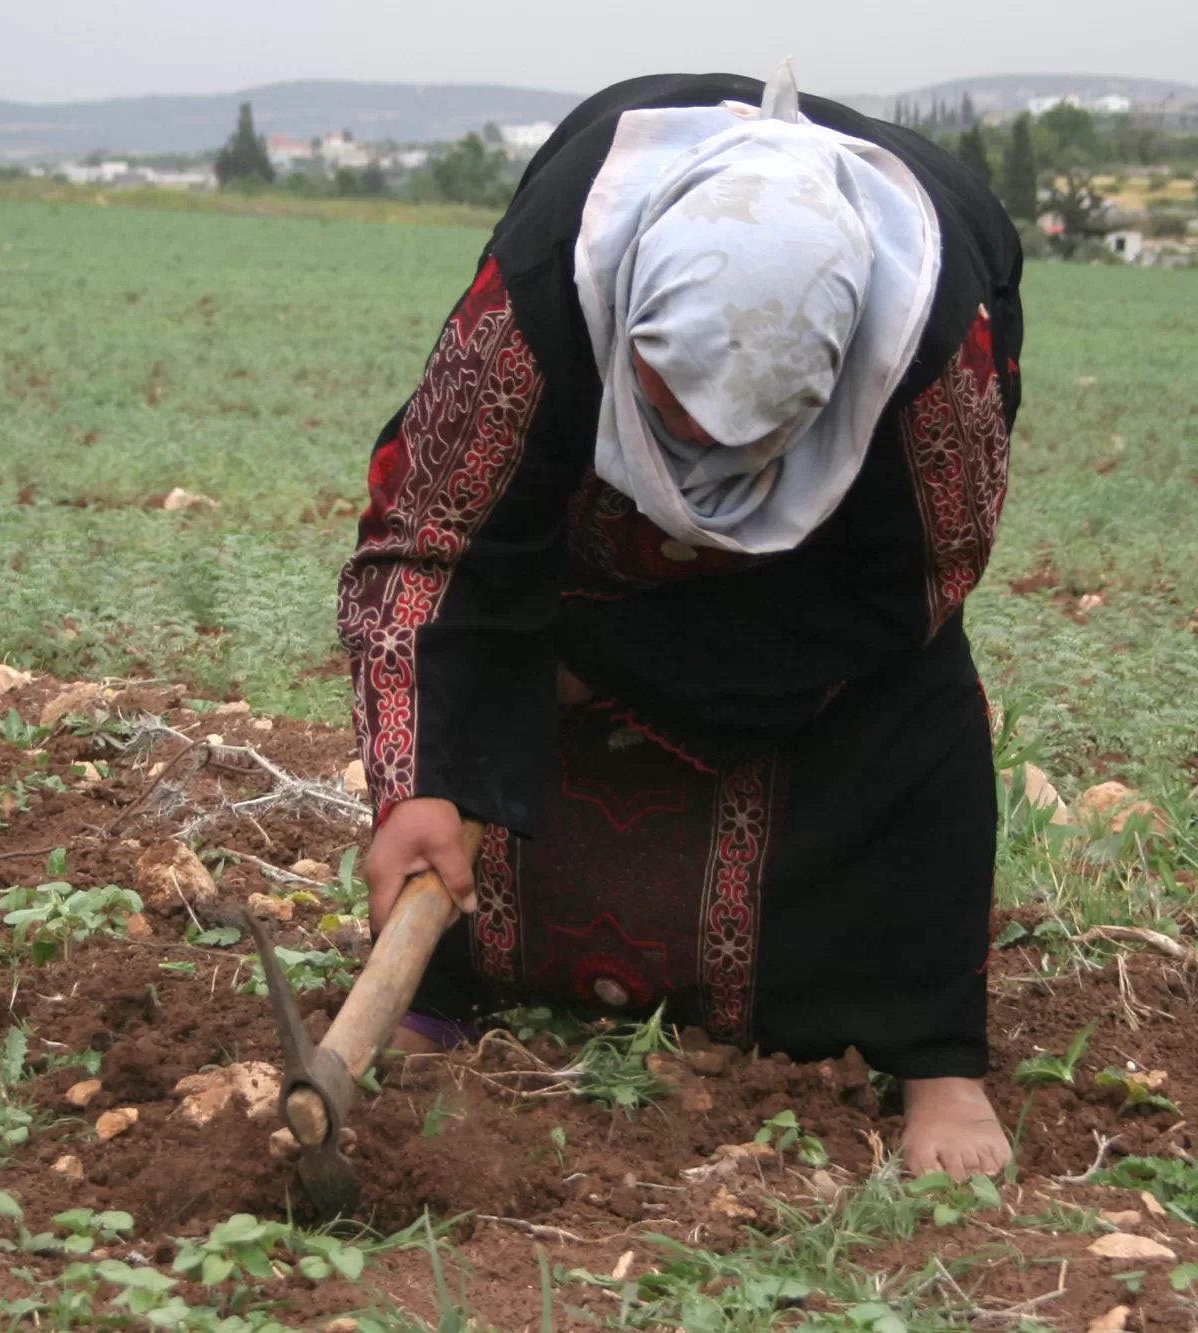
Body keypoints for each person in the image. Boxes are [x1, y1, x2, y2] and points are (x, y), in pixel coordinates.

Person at [339, 67, 1022, 1182]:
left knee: (917, 703)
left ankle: (932, 1061)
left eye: (747, 438)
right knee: (473, 676)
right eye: (668, 406)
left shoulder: (935, 354)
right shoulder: (545, 294)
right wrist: (417, 780)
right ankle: (444, 982)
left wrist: (598, 664)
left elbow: (916, 582)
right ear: (629, 325)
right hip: (578, 549)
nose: (700, 466)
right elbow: (429, 540)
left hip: (825, 594)